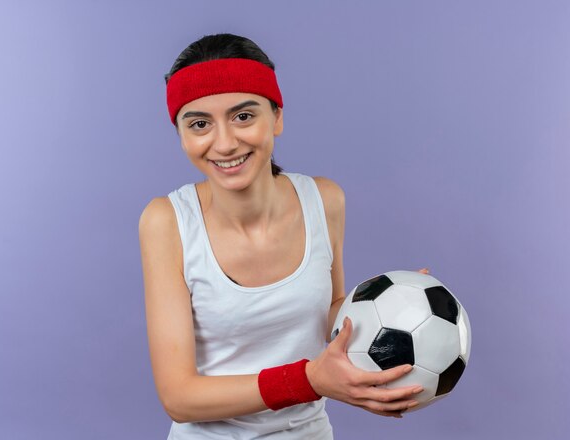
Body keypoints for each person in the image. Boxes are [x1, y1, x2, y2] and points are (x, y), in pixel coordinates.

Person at [138, 33, 427, 439]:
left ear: (276, 117)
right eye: (199, 123)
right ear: (182, 135)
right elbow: (179, 396)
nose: (224, 142)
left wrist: (394, 302)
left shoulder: (324, 199)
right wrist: (309, 380)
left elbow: (327, 312)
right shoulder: (167, 221)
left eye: (244, 116)